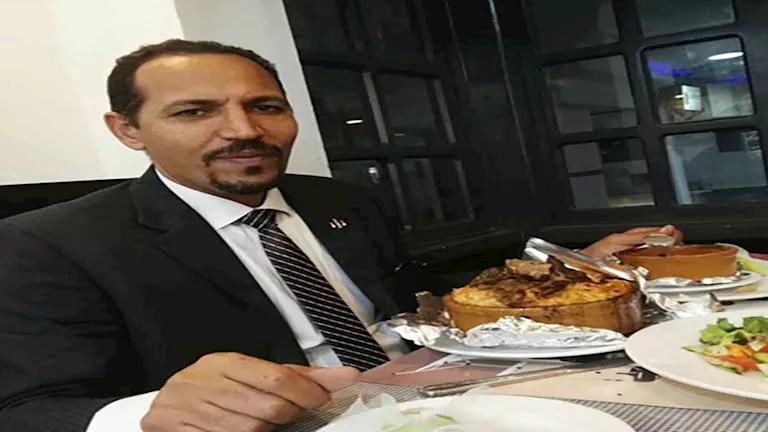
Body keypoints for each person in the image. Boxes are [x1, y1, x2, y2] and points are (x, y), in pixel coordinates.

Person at [0, 39, 682, 432]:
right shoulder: (49, 242)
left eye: (265, 106)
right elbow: (27, 409)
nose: (243, 130)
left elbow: (419, 301)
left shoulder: (339, 199)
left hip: (445, 396)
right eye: (194, 112)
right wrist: (148, 412)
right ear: (127, 130)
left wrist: (569, 268)